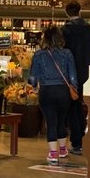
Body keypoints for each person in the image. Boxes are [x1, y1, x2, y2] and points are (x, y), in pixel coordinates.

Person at [28, 25, 77, 164]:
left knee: (51, 122)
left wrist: (34, 87)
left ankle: (53, 154)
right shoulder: (67, 53)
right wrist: (74, 89)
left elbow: (32, 77)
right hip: (63, 91)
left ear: (45, 38)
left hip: (46, 91)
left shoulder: (39, 54)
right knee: (62, 120)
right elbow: (73, 76)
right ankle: (63, 150)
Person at [61, 0, 90, 154]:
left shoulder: (65, 30)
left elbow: (62, 54)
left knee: (72, 107)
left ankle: (77, 141)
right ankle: (85, 138)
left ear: (67, 12)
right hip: (87, 73)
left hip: (70, 74)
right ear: (80, 11)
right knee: (84, 107)